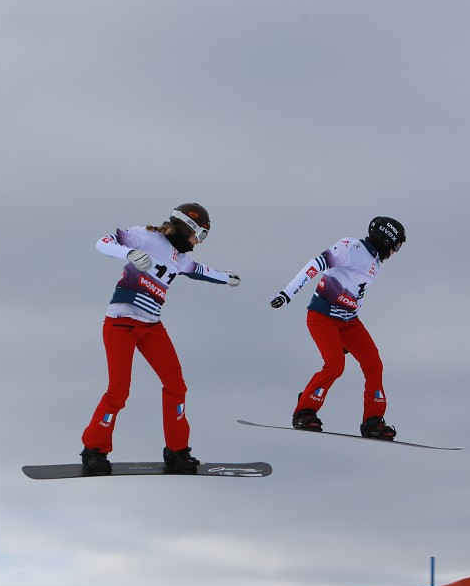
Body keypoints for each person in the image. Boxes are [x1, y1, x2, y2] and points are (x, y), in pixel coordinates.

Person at [81, 203, 241, 475]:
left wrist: (226, 278)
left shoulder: (179, 257)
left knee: (176, 386)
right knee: (118, 392)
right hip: (120, 324)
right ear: (185, 227)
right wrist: (129, 253)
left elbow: (199, 270)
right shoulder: (146, 237)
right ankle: (94, 451)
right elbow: (103, 242)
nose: (197, 242)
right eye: (198, 235)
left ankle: (177, 451)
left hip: (151, 327)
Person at [269, 217, 406, 439]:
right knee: (335, 366)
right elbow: (314, 266)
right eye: (396, 245)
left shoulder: (375, 264)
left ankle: (373, 421)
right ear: (385, 240)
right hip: (322, 317)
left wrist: (345, 340)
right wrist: (287, 293)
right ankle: (305, 411)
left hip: (349, 322)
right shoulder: (351, 247)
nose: (395, 252)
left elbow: (355, 295)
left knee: (373, 364)